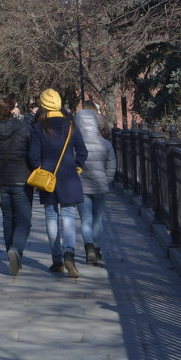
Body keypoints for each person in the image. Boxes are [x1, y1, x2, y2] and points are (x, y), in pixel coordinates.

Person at [29, 89, 89, 277]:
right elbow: (83, 151)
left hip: (48, 178)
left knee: (51, 217)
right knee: (69, 216)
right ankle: (69, 253)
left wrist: (39, 168)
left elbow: (33, 157)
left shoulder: (39, 128)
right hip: (69, 177)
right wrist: (77, 167)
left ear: (43, 106)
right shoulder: (70, 125)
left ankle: (56, 259)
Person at [0, 95, 33, 276]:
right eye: (16, 106)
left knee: (8, 218)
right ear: (10, 109)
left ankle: (12, 251)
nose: (18, 108)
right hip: (21, 179)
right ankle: (16, 250)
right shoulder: (24, 128)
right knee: (23, 220)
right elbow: (32, 153)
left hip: (0, 180)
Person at [76, 100, 116, 266]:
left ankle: (89, 246)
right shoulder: (105, 144)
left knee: (85, 219)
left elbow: (72, 163)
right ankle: (98, 248)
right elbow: (112, 165)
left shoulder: (76, 145)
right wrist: (106, 180)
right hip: (100, 186)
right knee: (97, 218)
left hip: (82, 186)